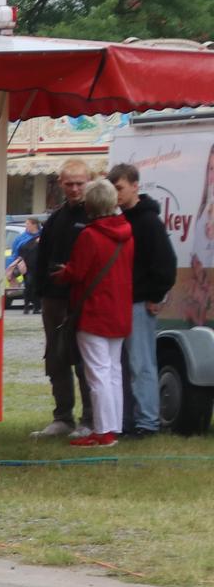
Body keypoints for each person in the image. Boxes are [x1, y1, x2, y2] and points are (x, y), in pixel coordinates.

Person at [56, 179, 135, 448]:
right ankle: (114, 427)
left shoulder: (90, 235)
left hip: (94, 311)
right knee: (113, 371)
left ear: (90, 204)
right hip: (120, 310)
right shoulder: (127, 232)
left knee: (97, 374)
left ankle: (102, 431)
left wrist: (62, 273)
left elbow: (78, 272)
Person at [28, 161, 97, 438]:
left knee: (84, 360)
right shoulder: (56, 218)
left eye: (80, 183)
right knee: (56, 358)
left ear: (89, 181)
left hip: (82, 300)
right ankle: (62, 417)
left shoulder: (95, 216)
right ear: (60, 183)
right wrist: (39, 290)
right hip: (53, 299)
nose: (75, 188)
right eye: (70, 183)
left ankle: (90, 419)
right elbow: (42, 256)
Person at [109, 163, 176, 438]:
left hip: (139, 301)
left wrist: (155, 294)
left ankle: (148, 420)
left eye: (120, 188)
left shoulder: (147, 222)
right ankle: (129, 418)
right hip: (124, 300)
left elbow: (165, 263)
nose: (116, 194)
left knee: (141, 362)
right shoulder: (123, 219)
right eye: (113, 189)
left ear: (135, 185)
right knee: (123, 364)